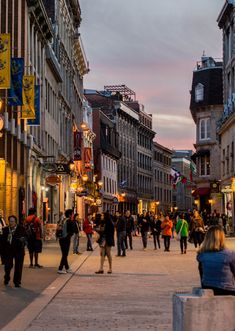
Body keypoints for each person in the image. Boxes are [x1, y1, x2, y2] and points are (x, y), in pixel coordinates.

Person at [197, 225, 235, 295]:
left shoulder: (201, 255)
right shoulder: (230, 254)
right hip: (227, 290)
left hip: (208, 289)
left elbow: (202, 276)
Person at [2, 215, 27, 287]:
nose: (11, 223)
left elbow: (26, 236)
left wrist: (23, 239)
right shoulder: (6, 230)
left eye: (12, 221)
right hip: (9, 250)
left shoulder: (21, 228)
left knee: (18, 266)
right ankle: (7, 277)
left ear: (16, 222)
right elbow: (3, 241)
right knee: (7, 266)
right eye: (10, 221)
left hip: (19, 250)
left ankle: (17, 281)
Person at [57, 209, 75, 274]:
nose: (73, 215)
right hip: (66, 239)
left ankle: (67, 268)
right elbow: (72, 232)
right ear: (70, 215)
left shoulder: (63, 220)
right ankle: (60, 268)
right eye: (72, 214)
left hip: (61, 238)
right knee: (65, 254)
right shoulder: (70, 221)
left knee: (64, 254)